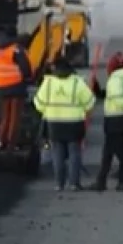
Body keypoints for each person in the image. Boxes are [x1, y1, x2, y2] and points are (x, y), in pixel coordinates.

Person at [33, 55, 95, 192]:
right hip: (74, 123)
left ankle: (59, 184)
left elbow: (38, 104)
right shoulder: (77, 82)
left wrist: (49, 110)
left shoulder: (48, 83)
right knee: (74, 153)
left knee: (57, 154)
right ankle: (74, 183)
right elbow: (90, 102)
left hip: (54, 123)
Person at [90, 53, 123, 191]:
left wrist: (96, 89)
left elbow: (116, 98)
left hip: (115, 119)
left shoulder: (115, 79)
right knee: (119, 151)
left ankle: (104, 181)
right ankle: (115, 181)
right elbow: (110, 95)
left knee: (113, 152)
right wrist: (97, 89)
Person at [0, 31, 30, 147]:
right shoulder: (16, 49)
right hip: (16, 85)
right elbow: (25, 68)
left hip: (0, 85)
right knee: (14, 117)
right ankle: (11, 144)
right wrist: (28, 78)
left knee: (5, 116)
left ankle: (0, 142)